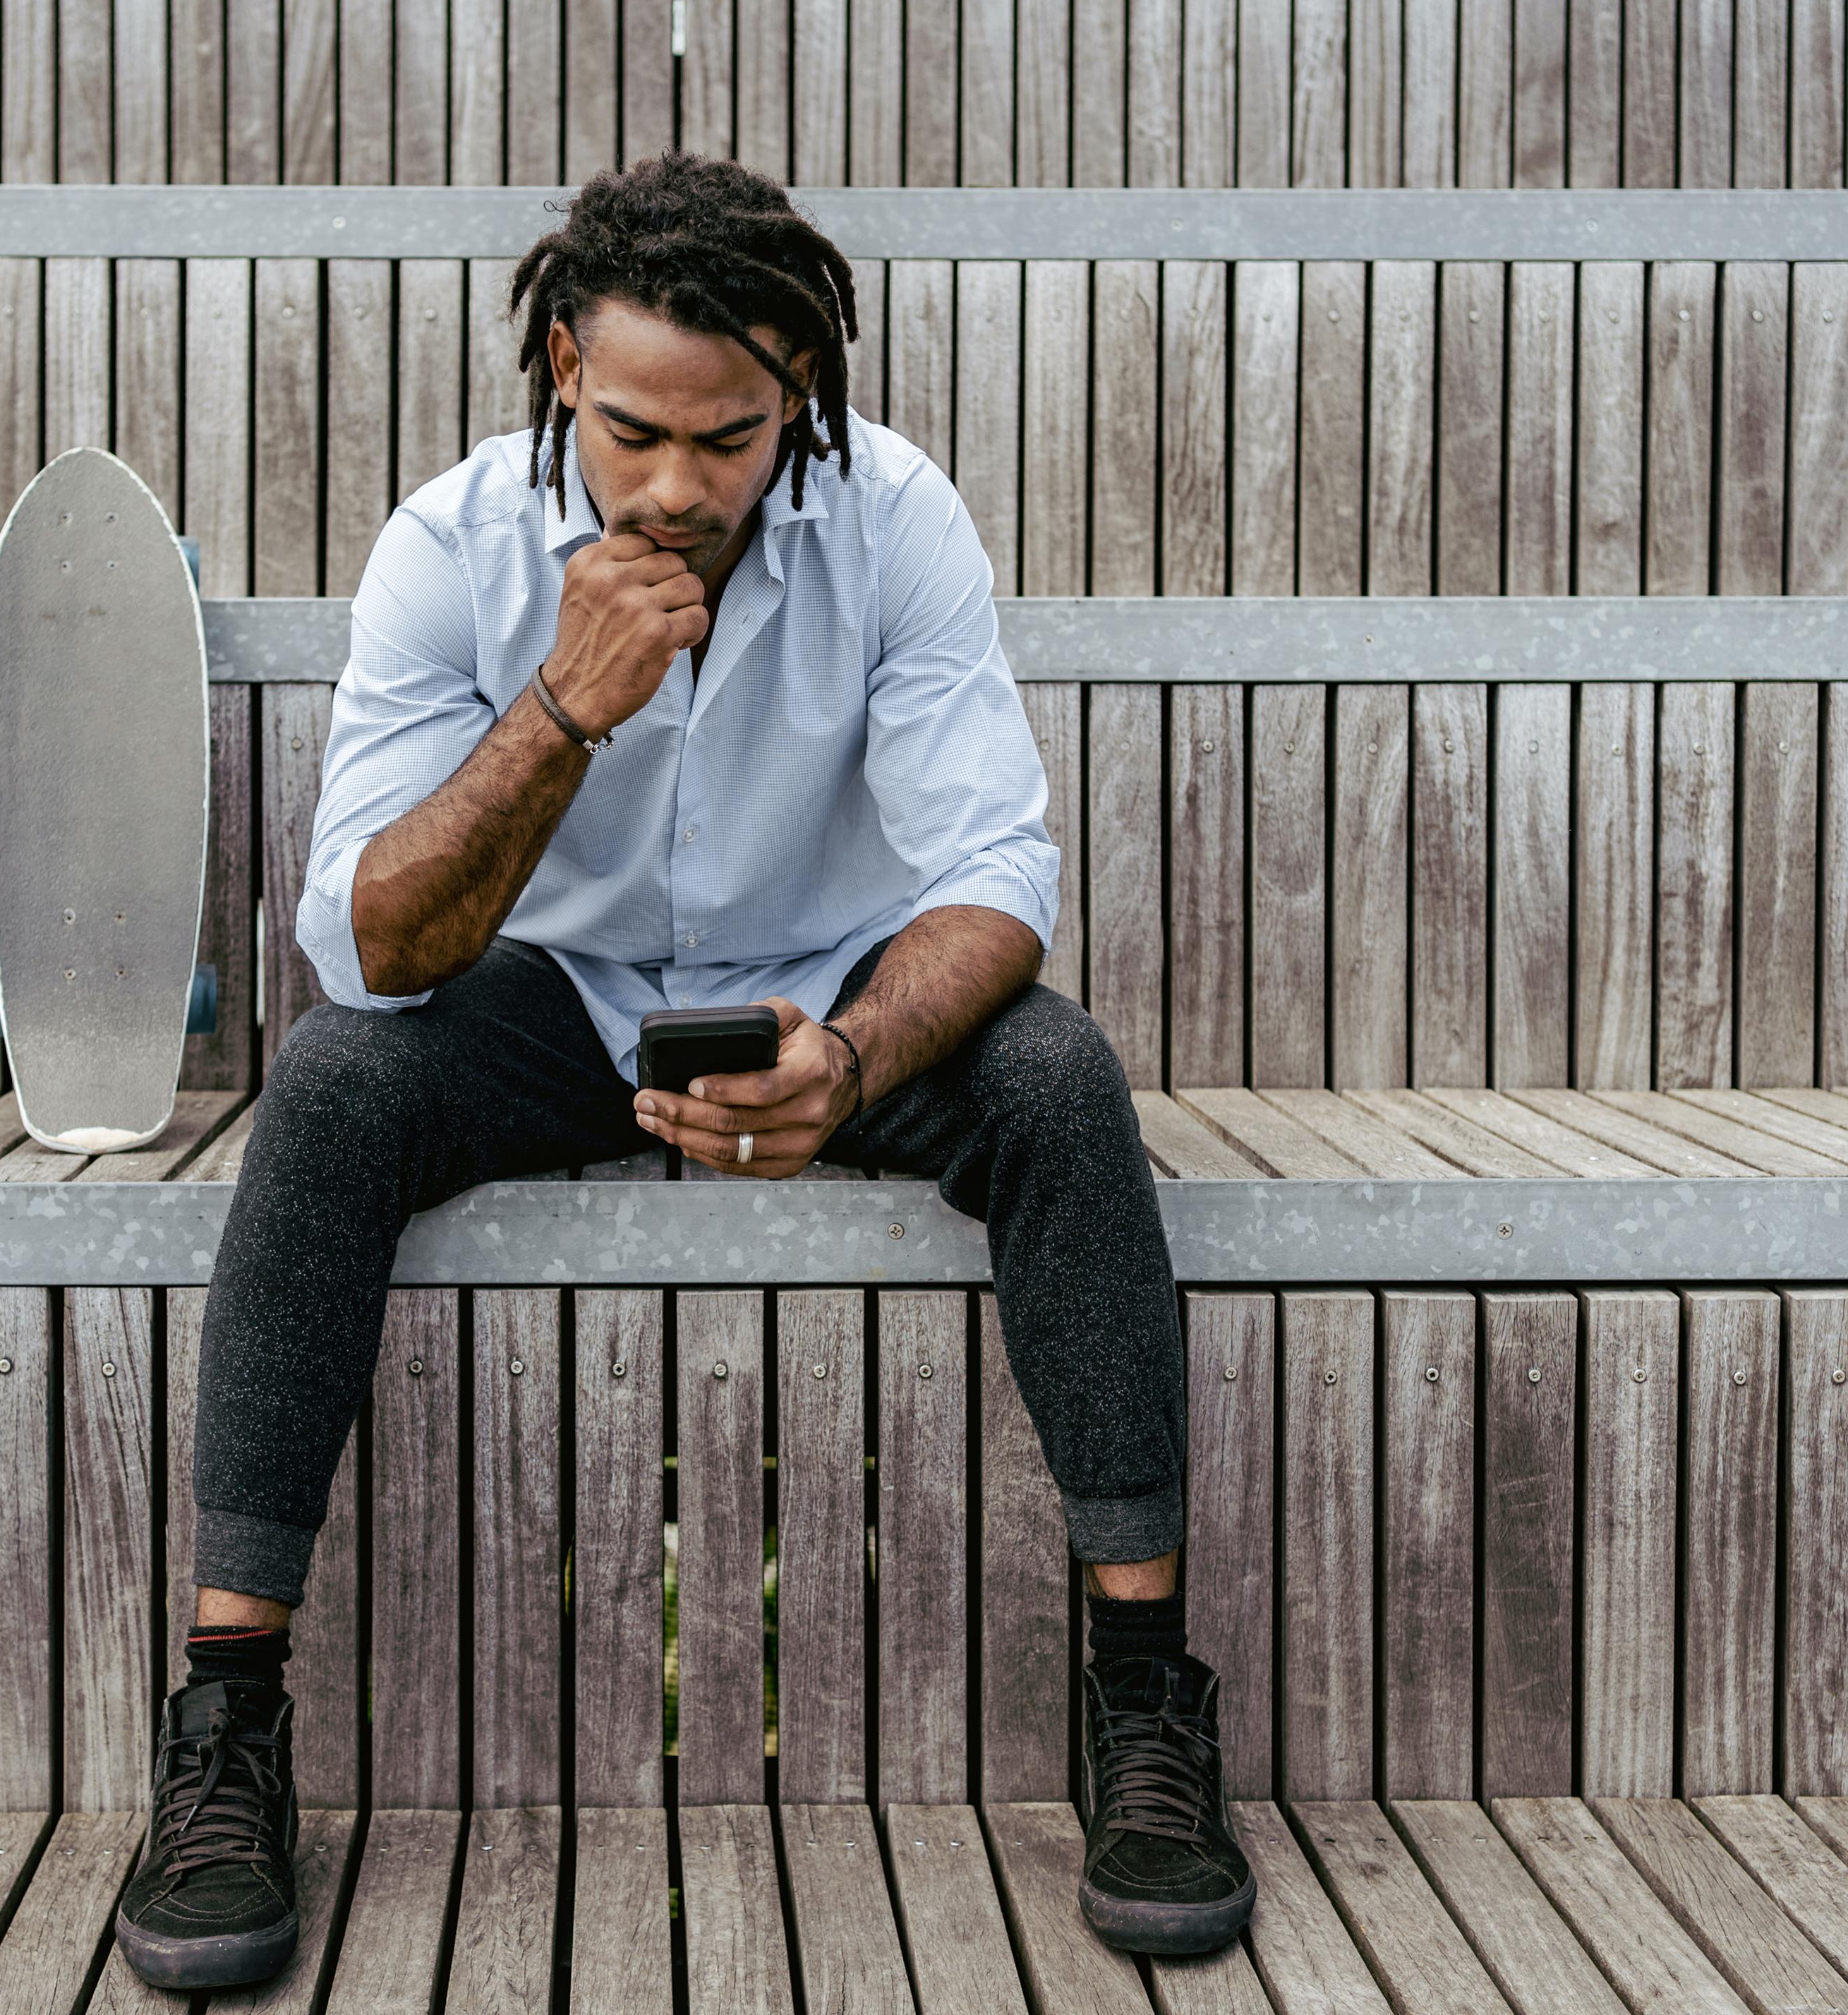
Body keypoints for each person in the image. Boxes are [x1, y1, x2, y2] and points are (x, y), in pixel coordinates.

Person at [110, 148, 1251, 1990]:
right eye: (637, 428)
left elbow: (996, 876)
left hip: (819, 996)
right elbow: (369, 943)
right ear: (564, 364)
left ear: (800, 392)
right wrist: (560, 708)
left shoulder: (891, 518)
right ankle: (228, 1728)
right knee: (329, 1087)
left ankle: (1144, 1709)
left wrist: (857, 1052)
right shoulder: (452, 545)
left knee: (1057, 1077)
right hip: (549, 1000)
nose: (677, 486)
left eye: (732, 439)